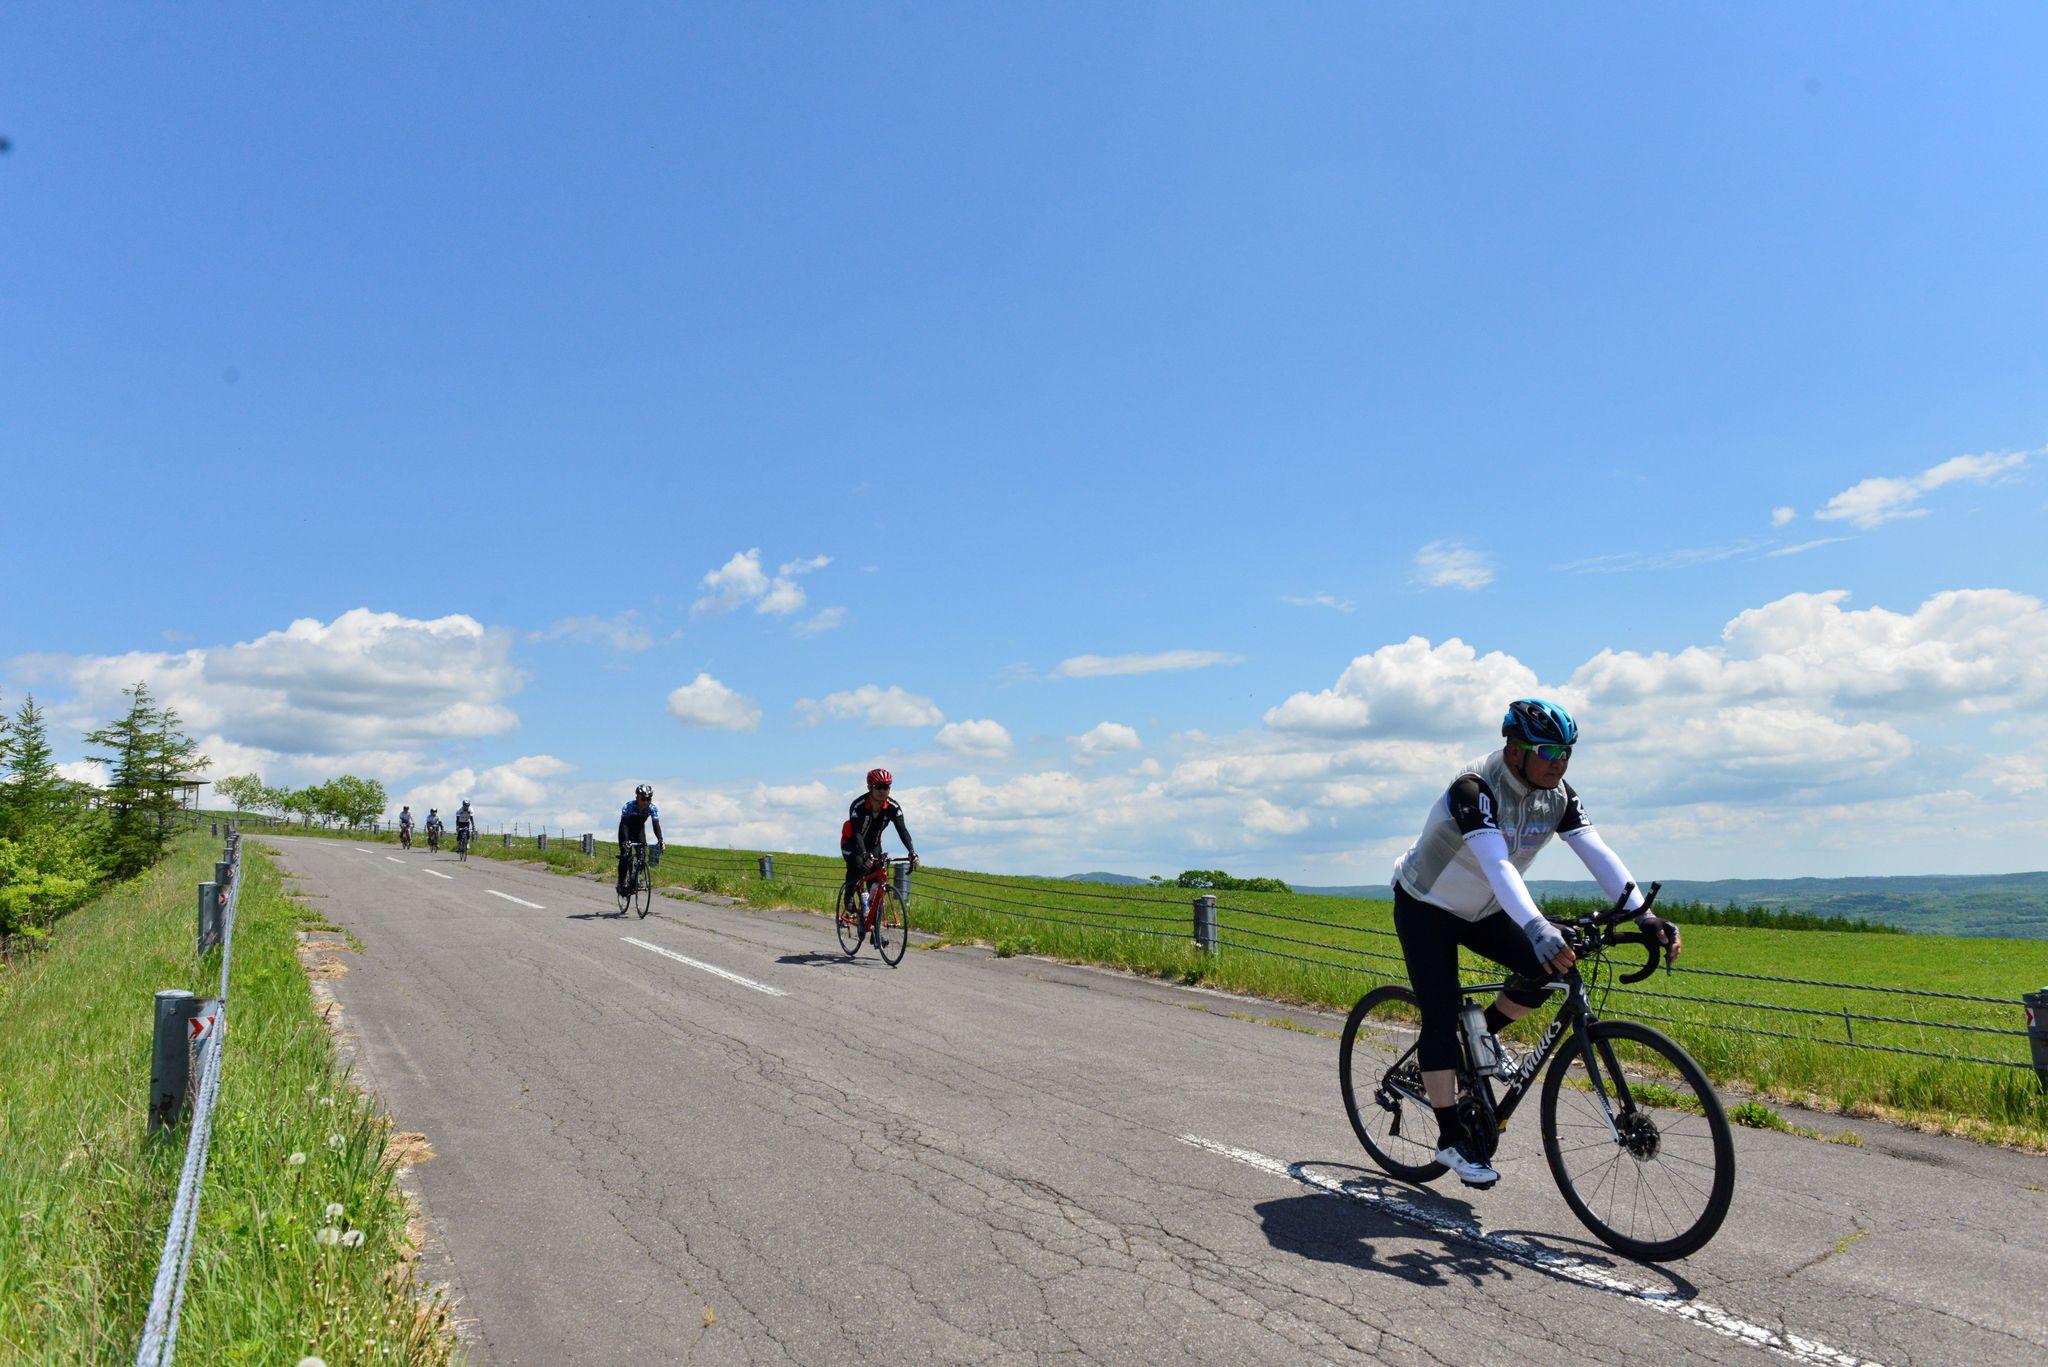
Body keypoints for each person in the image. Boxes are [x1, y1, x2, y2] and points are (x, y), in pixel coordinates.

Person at [1391, 698, 1681, 1190]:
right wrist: (1535, 925)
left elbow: (1597, 852)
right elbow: (1498, 864)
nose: (1559, 762)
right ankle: (1451, 1140)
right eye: (1548, 751)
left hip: (1485, 909)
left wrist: (1644, 915)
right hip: (1428, 907)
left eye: (1568, 752)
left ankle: (1482, 1036)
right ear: (1515, 748)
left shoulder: (1559, 793)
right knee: (1439, 1013)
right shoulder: (1473, 788)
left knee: (1556, 965)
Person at [841, 769, 917, 914]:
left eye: (886, 787)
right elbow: (857, 833)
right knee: (858, 866)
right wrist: (863, 854)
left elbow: (902, 830)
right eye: (879, 787)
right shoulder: (858, 805)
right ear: (870, 787)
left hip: (874, 844)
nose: (883, 791)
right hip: (852, 843)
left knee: (876, 880)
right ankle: (849, 895)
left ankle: (873, 927)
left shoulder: (893, 808)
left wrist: (912, 852)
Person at [617, 785, 666, 894]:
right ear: (637, 798)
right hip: (626, 830)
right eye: (643, 799)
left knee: (642, 856)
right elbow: (624, 824)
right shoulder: (628, 806)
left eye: (648, 799)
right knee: (626, 855)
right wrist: (625, 840)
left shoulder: (652, 808)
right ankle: (621, 883)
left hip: (639, 830)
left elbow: (656, 825)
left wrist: (660, 840)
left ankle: (636, 878)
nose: (645, 802)